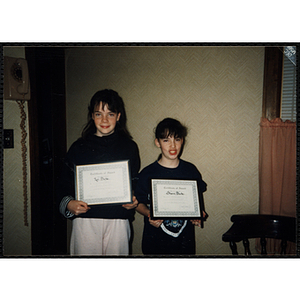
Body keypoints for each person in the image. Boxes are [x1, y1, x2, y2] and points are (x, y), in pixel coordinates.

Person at [57, 89, 140, 256]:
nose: (104, 120)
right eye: (98, 114)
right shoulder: (78, 147)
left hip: (118, 219)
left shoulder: (129, 147)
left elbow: (135, 181)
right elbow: (62, 184)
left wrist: (133, 199)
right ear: (91, 116)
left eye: (110, 114)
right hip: (86, 221)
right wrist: (68, 204)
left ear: (118, 116)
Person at [135, 118, 207, 255]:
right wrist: (149, 213)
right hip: (154, 242)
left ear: (182, 141)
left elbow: (196, 202)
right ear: (158, 142)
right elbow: (138, 203)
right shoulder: (147, 173)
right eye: (166, 140)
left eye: (177, 139)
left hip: (184, 243)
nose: (173, 146)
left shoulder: (191, 171)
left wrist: (198, 214)